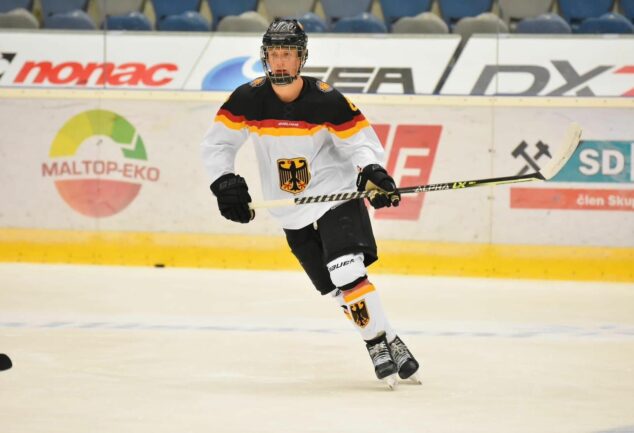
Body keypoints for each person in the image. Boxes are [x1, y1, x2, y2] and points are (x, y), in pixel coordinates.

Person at [201, 18, 420, 388]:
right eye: (274, 53)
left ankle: (375, 345)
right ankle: (390, 337)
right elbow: (217, 144)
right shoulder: (247, 99)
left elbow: (360, 142)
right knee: (335, 289)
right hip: (289, 210)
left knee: (345, 270)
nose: (280, 61)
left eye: (287, 53)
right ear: (265, 56)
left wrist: (371, 171)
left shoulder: (327, 99)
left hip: (334, 196)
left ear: (301, 58)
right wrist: (224, 181)